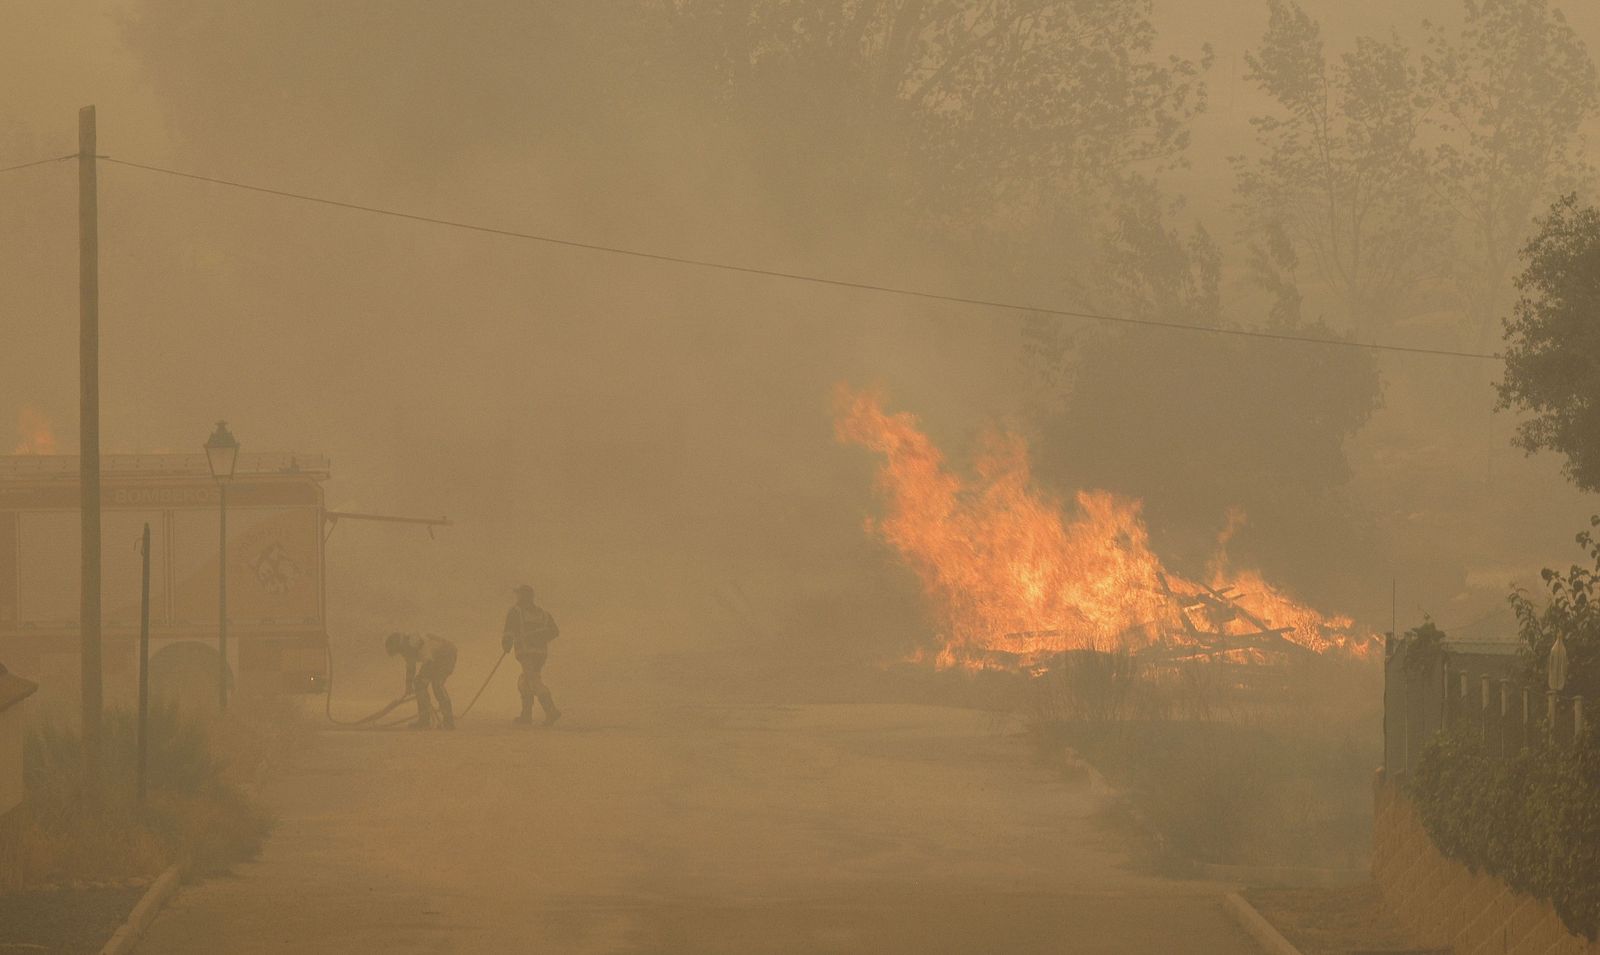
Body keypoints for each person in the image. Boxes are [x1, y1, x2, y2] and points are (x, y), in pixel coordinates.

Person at [503, 585, 561, 726]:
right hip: (540, 654)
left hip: (526, 652)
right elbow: (554, 631)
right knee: (525, 680)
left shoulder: (516, 611)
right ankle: (526, 716)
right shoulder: (543, 614)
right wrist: (539, 637)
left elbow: (508, 631)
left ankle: (551, 711)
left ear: (523, 596)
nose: (517, 597)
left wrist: (506, 644)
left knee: (533, 680)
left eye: (519, 595)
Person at [385, 632, 457, 730]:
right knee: (419, 684)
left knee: (437, 684)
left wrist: (422, 682)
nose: (400, 654)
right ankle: (424, 720)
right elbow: (411, 667)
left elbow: (429, 661)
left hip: (446, 654)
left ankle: (448, 721)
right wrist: (409, 685)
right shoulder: (406, 647)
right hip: (435, 657)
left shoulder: (413, 643)